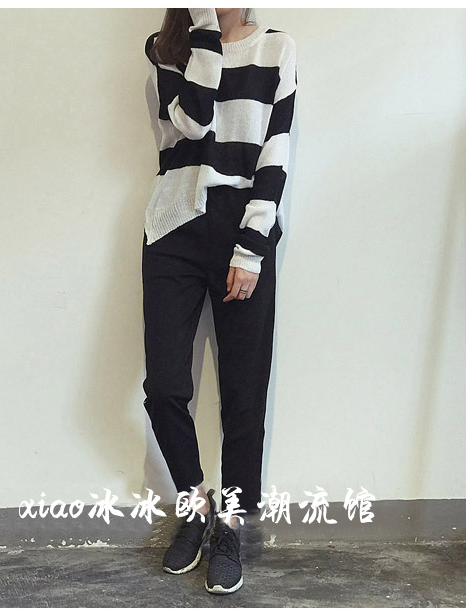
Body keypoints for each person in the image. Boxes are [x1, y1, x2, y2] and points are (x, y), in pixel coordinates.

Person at [141, 7, 297, 595]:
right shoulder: (167, 49)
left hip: (241, 226)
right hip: (173, 226)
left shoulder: (276, 49)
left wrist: (252, 246)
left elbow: (275, 152)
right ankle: (195, 504)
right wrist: (204, 30)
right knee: (164, 387)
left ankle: (230, 523)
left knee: (243, 390)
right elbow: (193, 122)